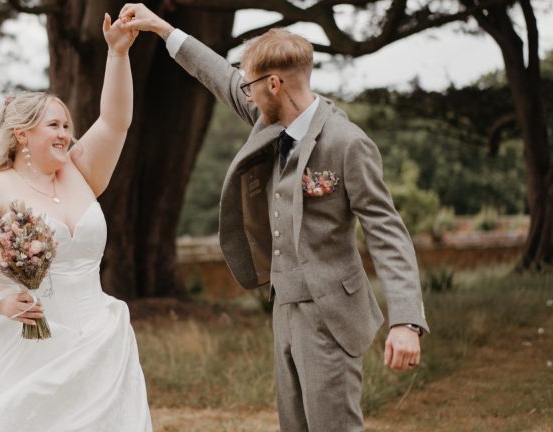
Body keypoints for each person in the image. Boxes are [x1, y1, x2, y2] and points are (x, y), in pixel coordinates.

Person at [119, 4, 428, 431]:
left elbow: (388, 232)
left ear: (276, 84)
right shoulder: (267, 119)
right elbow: (218, 75)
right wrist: (161, 28)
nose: (244, 93)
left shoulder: (346, 143)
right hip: (284, 307)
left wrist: (407, 321)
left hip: (332, 313)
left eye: (250, 86)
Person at [0, 14, 152, 432]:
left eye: (67, 126)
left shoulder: (80, 172)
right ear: (21, 135)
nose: (66, 135)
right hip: (27, 340)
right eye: (54, 125)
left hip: (98, 336)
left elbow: (116, 121)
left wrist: (117, 53)